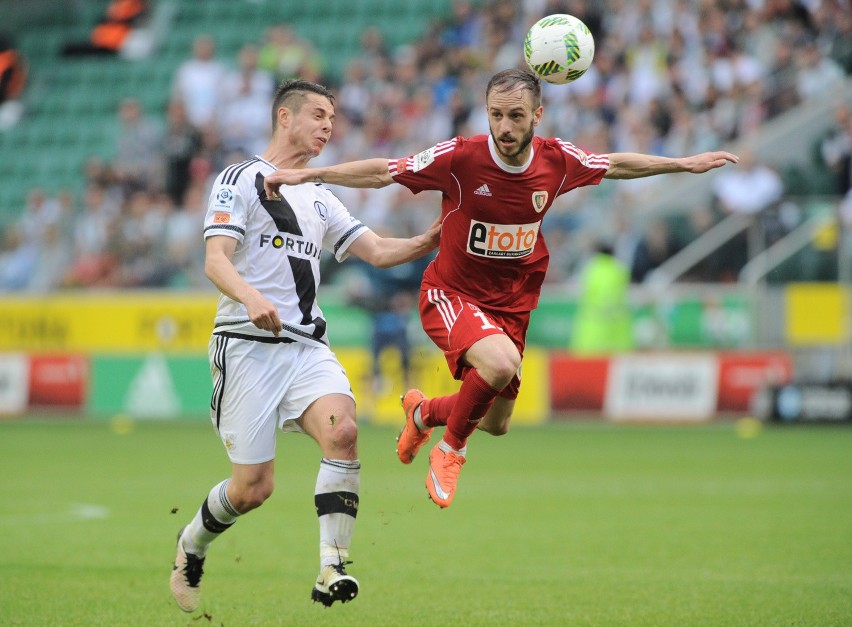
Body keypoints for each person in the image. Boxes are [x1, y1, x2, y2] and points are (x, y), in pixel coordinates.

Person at [263, 68, 738, 509]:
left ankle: (425, 415)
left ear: (537, 115)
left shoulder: (558, 161)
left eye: (515, 115)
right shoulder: (459, 157)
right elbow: (385, 170)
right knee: (499, 363)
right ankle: (449, 450)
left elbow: (615, 164)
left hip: (512, 305)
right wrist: (311, 174)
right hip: (451, 293)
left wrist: (684, 163)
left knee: (497, 422)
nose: (504, 126)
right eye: (495, 115)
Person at [169, 79, 440, 613]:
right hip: (247, 344)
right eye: (318, 115)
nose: (328, 127)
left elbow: (380, 251)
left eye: (333, 119)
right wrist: (249, 298)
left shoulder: (320, 195)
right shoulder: (237, 180)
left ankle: (331, 564)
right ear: (284, 117)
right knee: (252, 489)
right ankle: (191, 545)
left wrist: (434, 237)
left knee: (345, 431)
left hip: (306, 347)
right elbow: (216, 259)